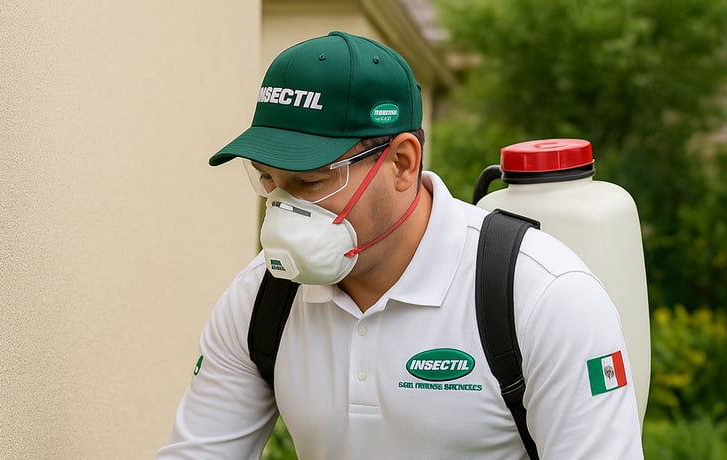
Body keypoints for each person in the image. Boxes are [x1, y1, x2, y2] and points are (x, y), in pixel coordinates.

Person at [156, 31, 644, 459]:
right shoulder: (262, 298)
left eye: (309, 181)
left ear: (402, 163)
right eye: (268, 180)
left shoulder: (540, 296)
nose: (283, 208)